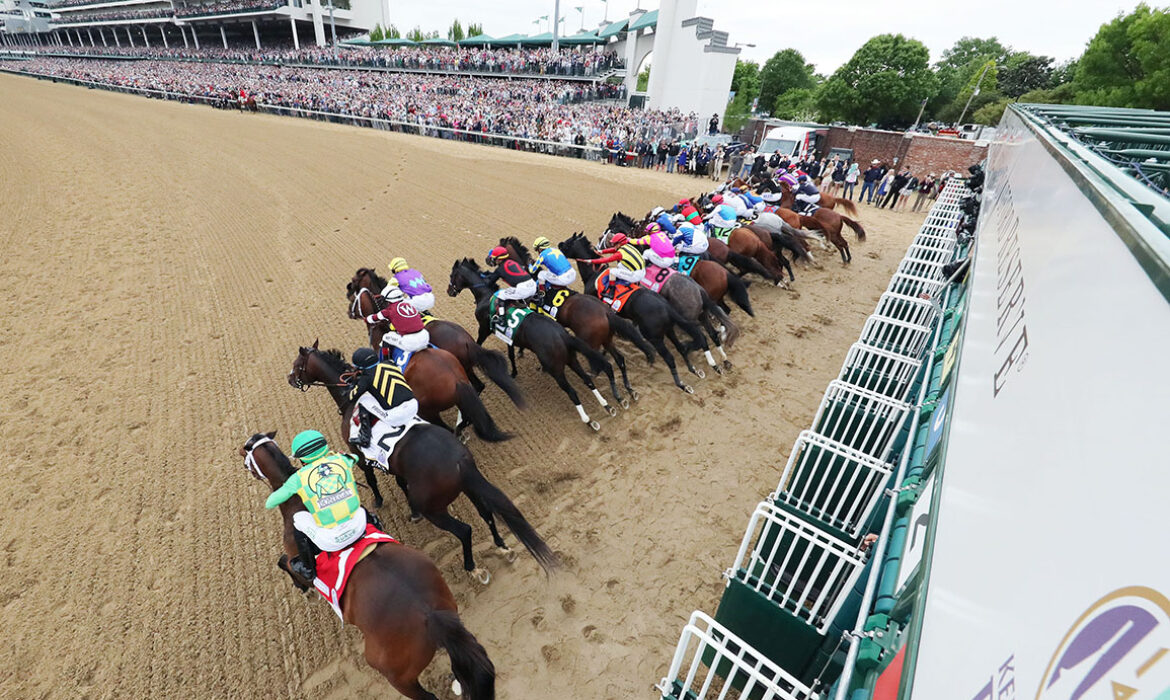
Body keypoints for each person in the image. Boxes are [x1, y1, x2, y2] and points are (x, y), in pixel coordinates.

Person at [266, 430, 370, 581]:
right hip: (360, 525)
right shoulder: (342, 459)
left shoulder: (298, 478)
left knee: (298, 517)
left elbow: (270, 503)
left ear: (301, 459)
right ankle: (376, 525)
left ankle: (308, 568)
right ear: (325, 448)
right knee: (357, 506)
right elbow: (354, 457)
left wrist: (290, 487)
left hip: (331, 540)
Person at [346, 347, 421, 460]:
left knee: (364, 399)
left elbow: (351, 397)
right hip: (414, 405)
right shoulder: (389, 363)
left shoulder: (365, 379)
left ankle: (364, 438)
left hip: (397, 417)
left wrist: (353, 385)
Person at [362, 286, 429, 364]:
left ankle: (386, 362)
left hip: (411, 342)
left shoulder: (388, 311)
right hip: (425, 337)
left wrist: (365, 319)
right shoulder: (409, 304)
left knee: (386, 337)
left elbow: (373, 318)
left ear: (389, 300)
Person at [583, 232, 646, 297]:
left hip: (636, 275)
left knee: (612, 271)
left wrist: (591, 261)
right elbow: (614, 250)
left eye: (615, 243)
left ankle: (611, 292)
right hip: (641, 270)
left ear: (619, 243)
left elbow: (606, 260)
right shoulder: (627, 245)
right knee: (620, 265)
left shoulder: (620, 254)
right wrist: (601, 251)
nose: (613, 245)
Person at [484, 245, 537, 313]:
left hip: (523, 289)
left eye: (494, 258)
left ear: (499, 259)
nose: (493, 260)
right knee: (512, 291)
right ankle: (524, 306)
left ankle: (501, 318)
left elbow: (490, 282)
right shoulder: (512, 261)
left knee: (501, 295)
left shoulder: (499, 270)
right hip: (532, 285)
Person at [529, 236, 577, 304]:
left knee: (541, 274)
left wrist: (529, 264)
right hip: (573, 273)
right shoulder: (555, 250)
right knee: (549, 271)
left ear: (540, 249)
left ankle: (541, 295)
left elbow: (532, 270)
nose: (537, 251)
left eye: (537, 249)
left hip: (564, 279)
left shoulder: (542, 255)